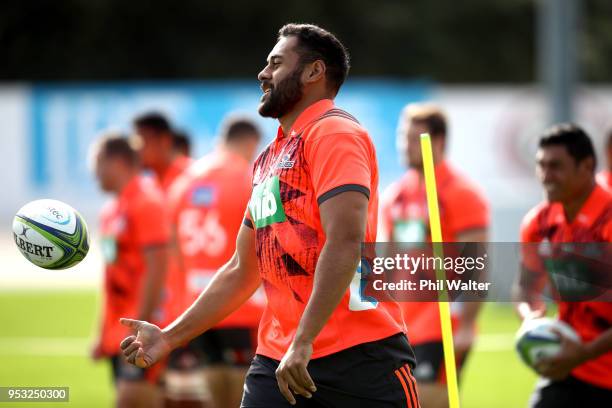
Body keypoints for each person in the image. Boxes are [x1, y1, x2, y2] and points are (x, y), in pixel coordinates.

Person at [118, 23, 419, 407]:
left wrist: (304, 340)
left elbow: (345, 240)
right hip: (278, 361)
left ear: (314, 72)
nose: (263, 74)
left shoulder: (334, 133)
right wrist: (169, 336)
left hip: (359, 361)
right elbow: (243, 268)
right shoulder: (268, 159)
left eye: (276, 63)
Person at [380, 103, 489, 408]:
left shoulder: (460, 192)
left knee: (428, 401)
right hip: (400, 328)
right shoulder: (396, 195)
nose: (405, 145)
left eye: (414, 139)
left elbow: (475, 264)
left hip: (440, 325)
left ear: (437, 142)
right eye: (403, 137)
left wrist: (467, 324)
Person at [164, 116, 264, 408]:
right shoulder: (250, 178)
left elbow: (174, 247)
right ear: (250, 143)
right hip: (242, 302)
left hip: (199, 303)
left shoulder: (184, 181)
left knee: (213, 375)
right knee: (245, 387)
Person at [513, 124, 612, 407]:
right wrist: (530, 317)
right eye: (540, 165)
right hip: (571, 370)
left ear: (587, 166)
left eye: (555, 166)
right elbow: (525, 287)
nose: (545, 176)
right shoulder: (538, 222)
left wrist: (586, 351)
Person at [90, 134, 170, 408]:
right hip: (120, 330)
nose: (93, 172)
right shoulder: (111, 210)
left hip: (141, 328)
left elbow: (158, 267)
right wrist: (103, 334)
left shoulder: (147, 201)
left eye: (97, 162)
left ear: (118, 162)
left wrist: (141, 326)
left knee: (132, 399)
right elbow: (111, 276)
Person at [132, 112, 193, 193]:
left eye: (141, 142)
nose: (137, 150)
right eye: (134, 143)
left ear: (164, 141)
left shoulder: (192, 174)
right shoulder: (149, 187)